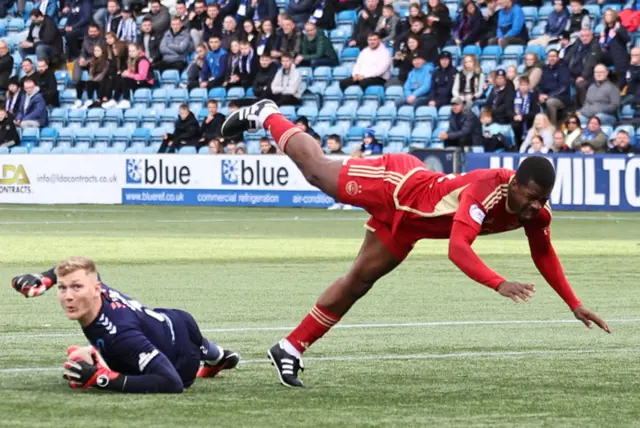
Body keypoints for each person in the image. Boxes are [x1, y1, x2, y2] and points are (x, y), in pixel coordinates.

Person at [221, 99, 611, 387]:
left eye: (542, 199)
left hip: (410, 227)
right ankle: (266, 114)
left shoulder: (537, 211)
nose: (535, 206)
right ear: (514, 185)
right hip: (399, 186)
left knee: (358, 281)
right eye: (530, 197)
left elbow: (543, 251)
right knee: (320, 175)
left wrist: (574, 303)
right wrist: (499, 282)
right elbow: (458, 249)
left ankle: (290, 347)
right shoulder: (485, 190)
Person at [10, 257, 240, 393]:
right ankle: (218, 356)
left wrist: (102, 379)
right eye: (62, 288)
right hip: (166, 319)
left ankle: (215, 356)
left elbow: (172, 383)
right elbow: (84, 268)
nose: (68, 296)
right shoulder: (95, 286)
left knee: (84, 359)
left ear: (96, 288)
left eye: (76, 287)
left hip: (182, 360)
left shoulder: (121, 335)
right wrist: (45, 278)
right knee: (86, 357)